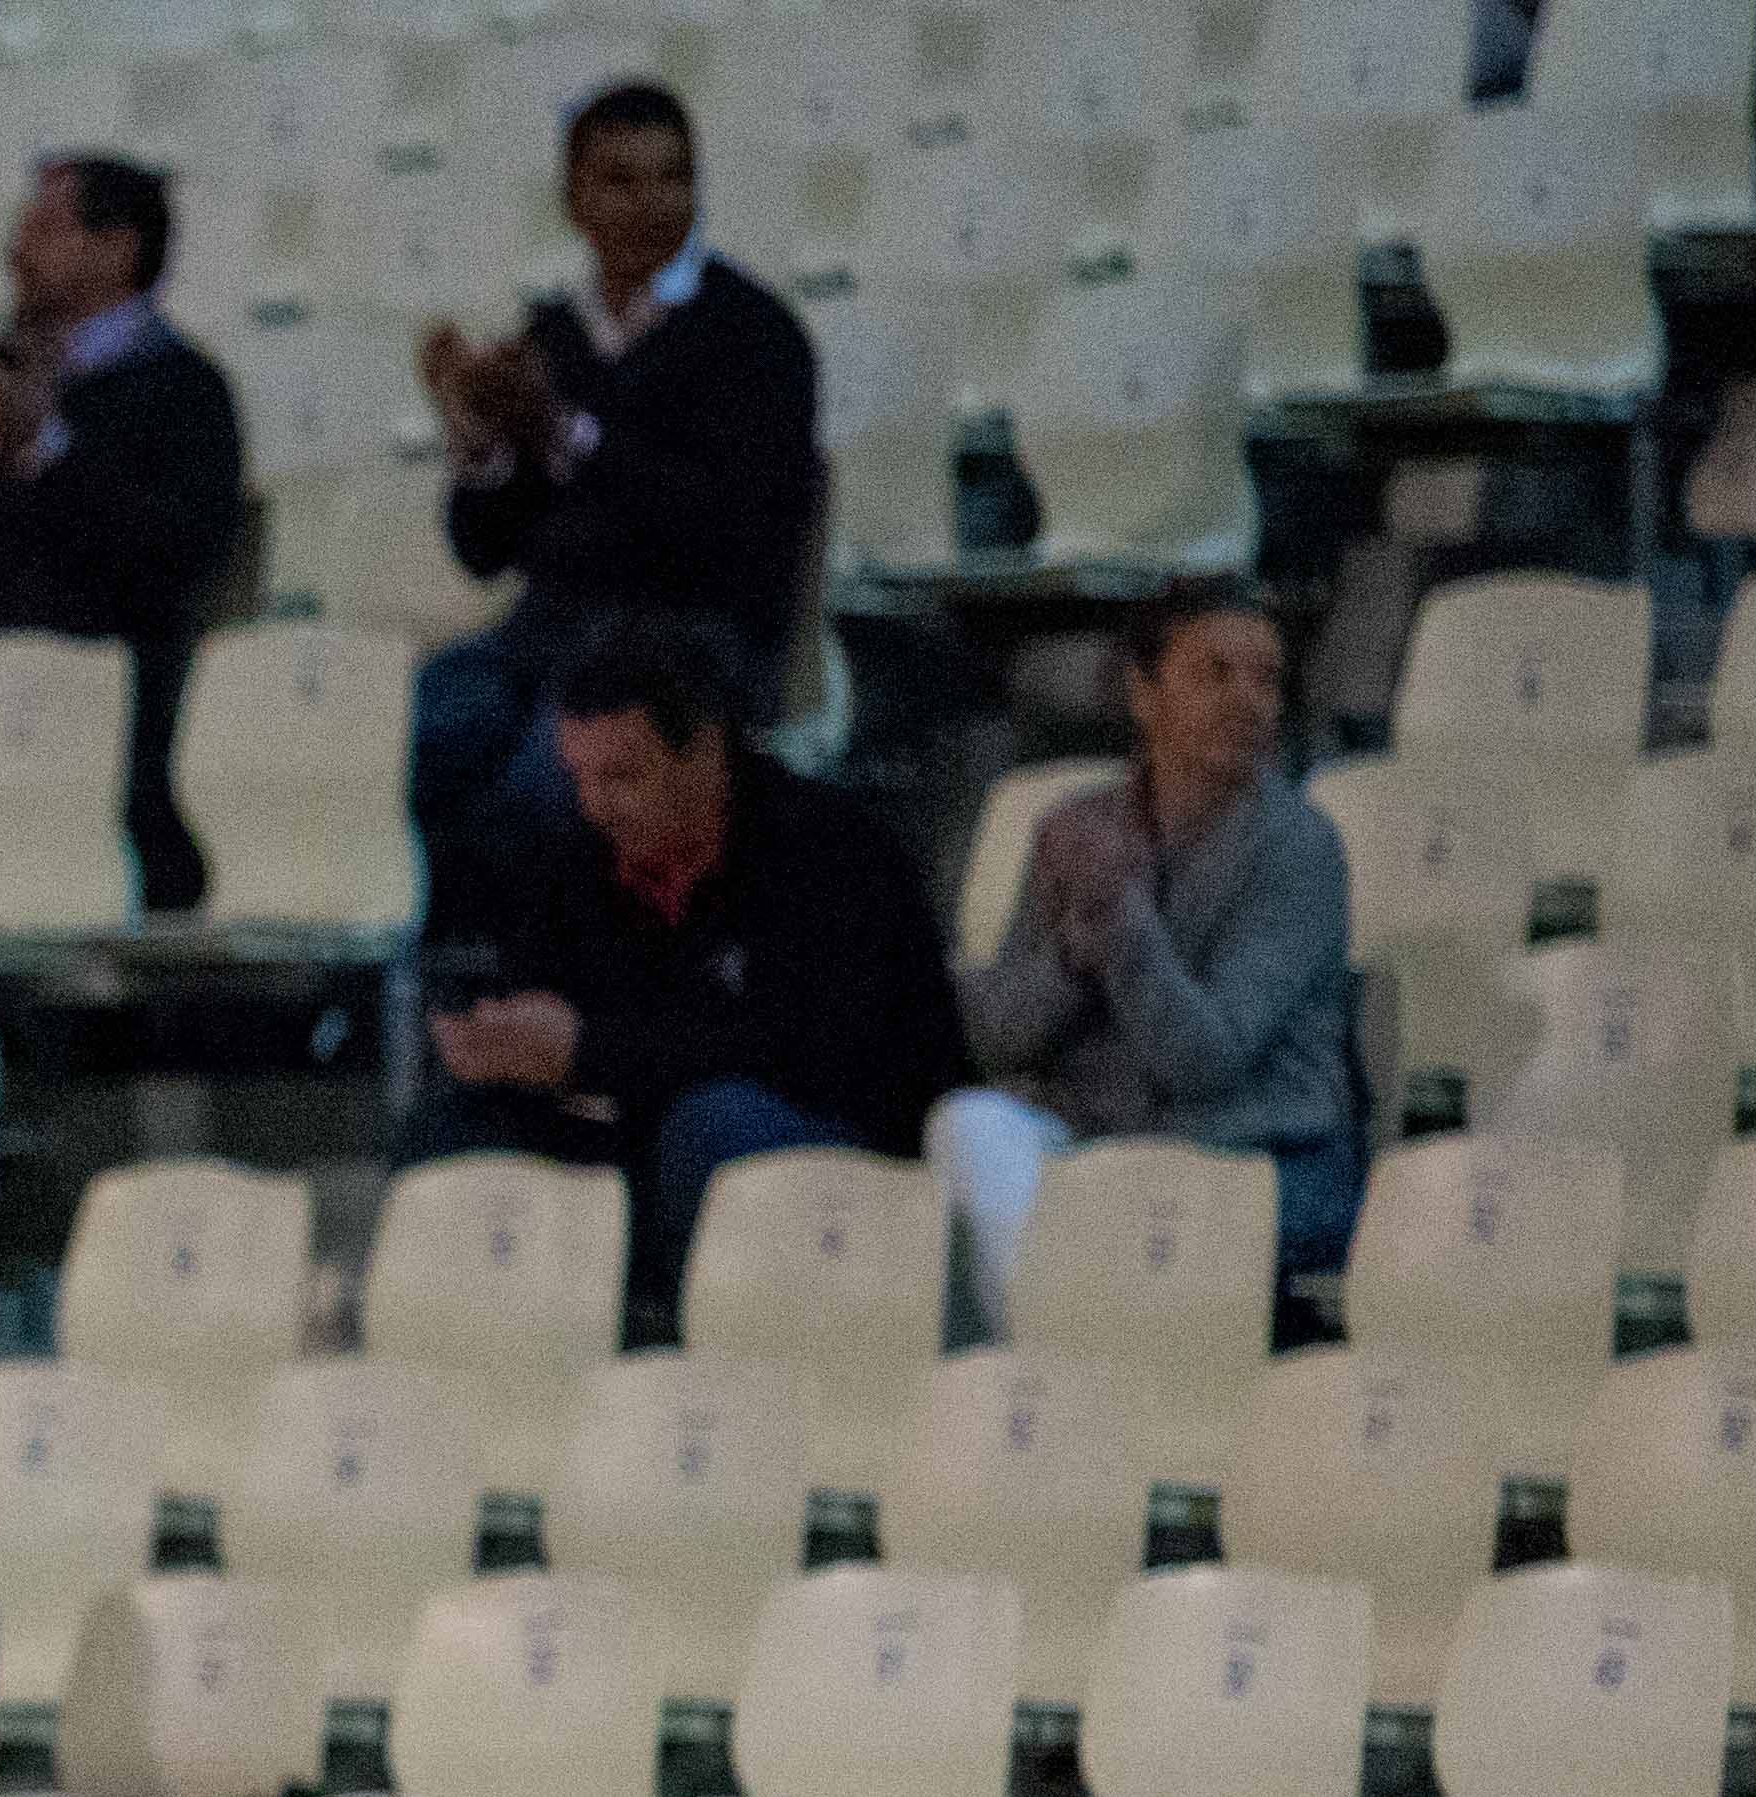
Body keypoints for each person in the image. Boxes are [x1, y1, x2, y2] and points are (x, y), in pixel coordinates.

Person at [405, 614, 963, 1299]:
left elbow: (807, 1053)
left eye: (622, 777)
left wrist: (589, 1052)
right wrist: (502, 1046)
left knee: (711, 1127)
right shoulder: (574, 860)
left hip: (833, 1160)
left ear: (704, 750)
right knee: (450, 1131)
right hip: (635, 1136)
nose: (595, 804)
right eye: (579, 777)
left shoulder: (832, 853)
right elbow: (552, 1011)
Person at [403, 84, 824, 858]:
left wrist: (566, 432)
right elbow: (485, 550)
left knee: (549, 792)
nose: (653, 204)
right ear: (575, 201)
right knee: (390, 751)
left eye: (673, 177)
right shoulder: (554, 336)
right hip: (546, 634)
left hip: (693, 642)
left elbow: (723, 532)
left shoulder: (753, 336)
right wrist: (481, 444)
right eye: (622, 182)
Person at [931, 587, 1362, 1318]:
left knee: (1120, 1220)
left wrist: (1123, 926)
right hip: (1096, 1135)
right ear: (1143, 692)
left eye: (1266, 679)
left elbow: (1207, 1061)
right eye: (1215, 673)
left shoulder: (1301, 850)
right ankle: (1041, 1349)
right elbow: (992, 1035)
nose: (1247, 700)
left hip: (1253, 1150)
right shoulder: (1075, 827)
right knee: (967, 1124)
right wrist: (1071, 956)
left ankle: (1057, 1350)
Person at [0, 152, 248, 918]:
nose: (16, 251)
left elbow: (183, 550)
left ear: (119, 247)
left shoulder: (187, 390)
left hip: (95, 674)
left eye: (44, 228)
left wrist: (49, 454)